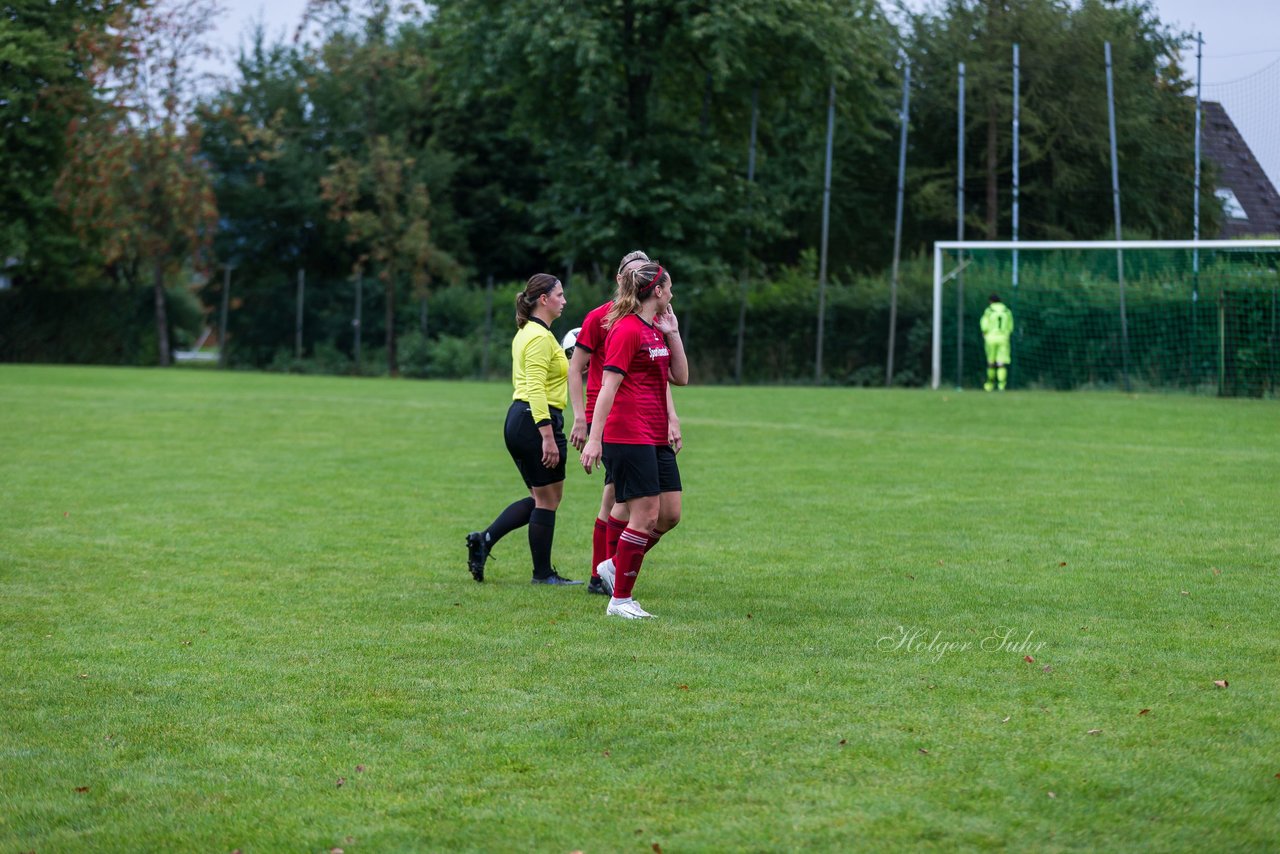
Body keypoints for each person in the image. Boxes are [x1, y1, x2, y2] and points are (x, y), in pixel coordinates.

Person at [567, 251, 682, 595]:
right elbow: (588, 374)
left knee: (640, 507)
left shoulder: (654, 325)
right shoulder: (609, 321)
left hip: (648, 426)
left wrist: (671, 417)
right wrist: (584, 424)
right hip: (620, 424)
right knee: (618, 503)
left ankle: (611, 570)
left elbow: (664, 376)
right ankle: (605, 579)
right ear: (622, 279)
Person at [466, 274, 581, 585]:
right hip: (534, 420)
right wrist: (547, 435)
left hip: (523, 419)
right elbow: (534, 386)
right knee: (547, 500)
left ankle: (484, 540)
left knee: (542, 496)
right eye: (559, 295)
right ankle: (542, 574)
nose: (564, 301)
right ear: (543, 299)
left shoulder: (529, 333)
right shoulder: (539, 338)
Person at [980, 293, 1014, 391]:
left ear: (990, 301)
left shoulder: (989, 310)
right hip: (1003, 338)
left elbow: (984, 324)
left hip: (990, 338)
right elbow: (1010, 327)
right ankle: (1001, 385)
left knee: (991, 362)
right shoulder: (1007, 311)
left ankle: (989, 385)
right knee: (1001, 363)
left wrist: (984, 333)